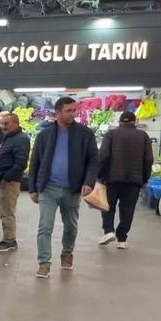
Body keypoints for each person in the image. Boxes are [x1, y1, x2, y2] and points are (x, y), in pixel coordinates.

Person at [28, 96, 98, 279]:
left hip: (73, 189)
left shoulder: (85, 134)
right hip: (48, 188)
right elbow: (35, 162)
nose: (73, 114)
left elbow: (93, 161)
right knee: (45, 226)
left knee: (71, 226)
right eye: (69, 111)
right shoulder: (45, 135)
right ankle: (44, 263)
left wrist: (89, 182)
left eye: (75, 110)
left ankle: (67, 254)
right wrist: (33, 188)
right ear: (58, 112)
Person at [98, 111, 152, 249]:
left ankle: (108, 231)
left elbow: (103, 156)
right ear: (135, 122)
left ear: (120, 122)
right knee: (127, 209)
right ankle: (122, 239)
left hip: (112, 178)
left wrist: (100, 175)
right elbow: (148, 159)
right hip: (134, 180)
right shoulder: (143, 136)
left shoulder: (111, 134)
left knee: (108, 206)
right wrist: (145, 178)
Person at [0, 112, 30, 253]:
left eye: (6, 124)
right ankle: (7, 238)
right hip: (2, 180)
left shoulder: (21, 139)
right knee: (3, 211)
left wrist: (6, 178)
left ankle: (10, 241)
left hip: (9, 182)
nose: (3, 126)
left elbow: (21, 164)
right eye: (2, 123)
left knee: (7, 211)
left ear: (16, 123)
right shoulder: (10, 137)